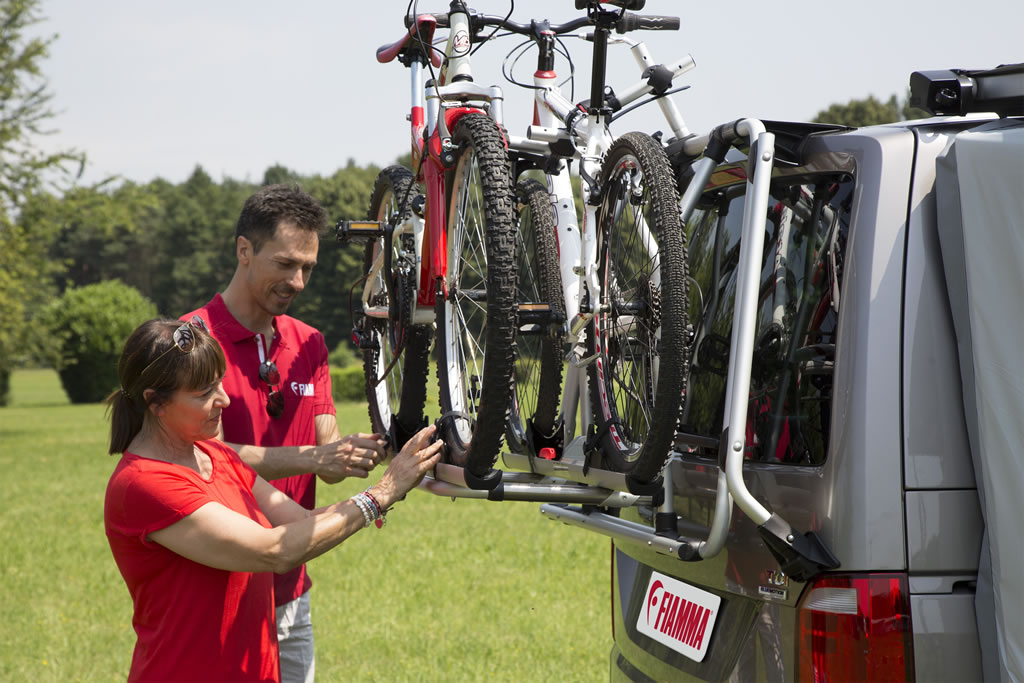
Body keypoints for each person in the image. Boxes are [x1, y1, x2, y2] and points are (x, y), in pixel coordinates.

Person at [104, 317, 442, 682]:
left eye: (219, 383)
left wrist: (387, 490)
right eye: (204, 393)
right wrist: (381, 494)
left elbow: (300, 522)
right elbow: (273, 550)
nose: (224, 399)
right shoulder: (145, 484)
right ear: (155, 403)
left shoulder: (215, 455)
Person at [181, 183, 373, 681]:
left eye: (308, 267)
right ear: (244, 250)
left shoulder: (309, 343)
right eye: (286, 264)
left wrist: (356, 452)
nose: (300, 281)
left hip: (291, 588)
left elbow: (327, 459)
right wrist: (312, 458)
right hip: (217, 587)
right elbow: (202, 454)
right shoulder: (192, 341)